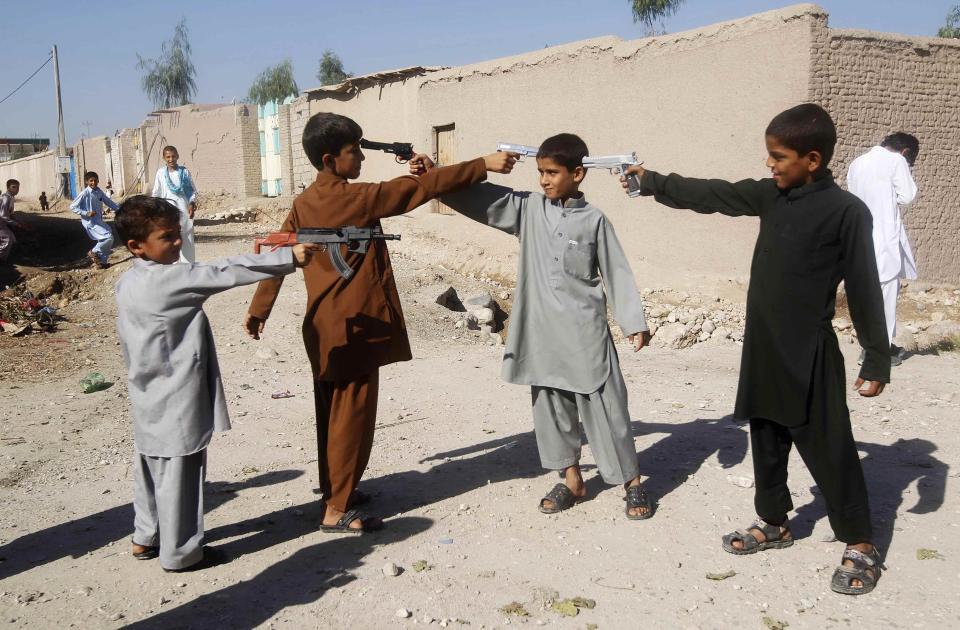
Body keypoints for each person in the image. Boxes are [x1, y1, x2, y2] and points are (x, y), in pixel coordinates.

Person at [621, 103, 890, 595]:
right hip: (763, 344)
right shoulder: (772, 196)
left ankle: (860, 541)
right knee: (766, 436)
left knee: (828, 446)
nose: (769, 166)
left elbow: (866, 287)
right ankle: (774, 522)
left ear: (812, 159)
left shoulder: (846, 211)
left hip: (808, 349)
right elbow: (715, 194)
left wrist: (877, 356)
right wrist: (654, 181)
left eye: (778, 157)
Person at [243, 112, 515, 533]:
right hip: (354, 330)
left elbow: (278, 254)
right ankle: (337, 510)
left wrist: (260, 309)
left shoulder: (303, 202)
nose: (361, 159)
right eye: (354, 152)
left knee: (330, 414)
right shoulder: (358, 198)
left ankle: (336, 489)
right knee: (352, 416)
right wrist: (482, 164)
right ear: (331, 159)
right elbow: (419, 189)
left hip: (323, 330)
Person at [412, 133, 654, 519]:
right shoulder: (527, 210)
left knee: (607, 406)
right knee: (552, 408)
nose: (543, 180)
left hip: (584, 332)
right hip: (542, 332)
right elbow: (477, 198)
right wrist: (437, 174)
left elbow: (617, 272)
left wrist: (632, 321)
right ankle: (572, 478)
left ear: (578, 174)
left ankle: (632, 483)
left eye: (552, 172)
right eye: (540, 172)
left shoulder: (594, 220)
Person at [115, 195, 318, 571]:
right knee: (181, 472)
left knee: (150, 465)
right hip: (176, 395)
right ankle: (181, 553)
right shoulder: (170, 280)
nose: (177, 243)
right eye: (167, 237)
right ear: (136, 246)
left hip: (147, 391)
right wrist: (287, 258)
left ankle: (145, 537)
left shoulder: (128, 281)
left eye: (178, 234)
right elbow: (224, 270)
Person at [846, 133, 920, 366]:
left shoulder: (857, 163)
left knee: (867, 298)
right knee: (885, 297)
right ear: (905, 152)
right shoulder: (896, 161)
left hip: (859, 239)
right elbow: (908, 195)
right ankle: (877, 353)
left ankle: (874, 346)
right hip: (883, 241)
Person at [152, 145, 198, 263]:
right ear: (164, 158)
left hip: (184, 212)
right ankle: (175, 272)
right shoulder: (161, 173)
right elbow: (156, 193)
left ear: (177, 156)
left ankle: (189, 270)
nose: (171, 159)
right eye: (168, 157)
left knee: (187, 241)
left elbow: (192, 192)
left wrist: (192, 203)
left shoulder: (184, 172)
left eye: (173, 156)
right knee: (171, 242)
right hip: (167, 214)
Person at [70, 171, 119, 269]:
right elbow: (72, 206)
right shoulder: (85, 193)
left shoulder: (99, 192)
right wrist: (86, 213)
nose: (93, 182)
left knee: (109, 238)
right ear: (87, 182)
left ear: (98, 181)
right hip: (90, 222)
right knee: (108, 237)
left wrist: (119, 210)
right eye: (91, 181)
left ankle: (102, 262)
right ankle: (94, 252)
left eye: (95, 180)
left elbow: (108, 201)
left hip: (99, 220)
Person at [1, 179, 23, 263]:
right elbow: (3, 216)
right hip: (1, 223)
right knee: (8, 239)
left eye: (17, 187)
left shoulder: (11, 198)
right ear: (8, 188)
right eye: (14, 187)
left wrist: (21, 222)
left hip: (3, 223)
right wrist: (16, 224)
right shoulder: (6, 198)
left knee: (13, 239)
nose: (16, 189)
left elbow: (11, 214)